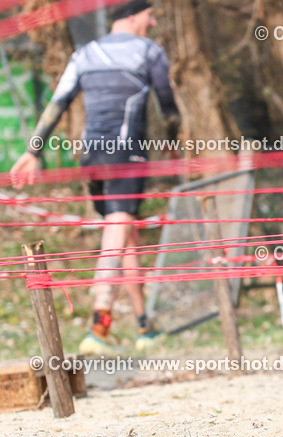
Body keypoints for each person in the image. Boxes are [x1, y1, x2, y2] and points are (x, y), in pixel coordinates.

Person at [11, 0, 179, 355]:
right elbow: (169, 109)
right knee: (117, 231)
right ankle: (98, 326)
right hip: (126, 156)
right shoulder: (150, 52)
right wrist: (175, 147)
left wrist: (33, 150)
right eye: (150, 15)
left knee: (125, 233)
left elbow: (58, 103)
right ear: (133, 15)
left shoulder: (85, 53)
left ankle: (145, 326)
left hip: (92, 157)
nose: (153, 22)